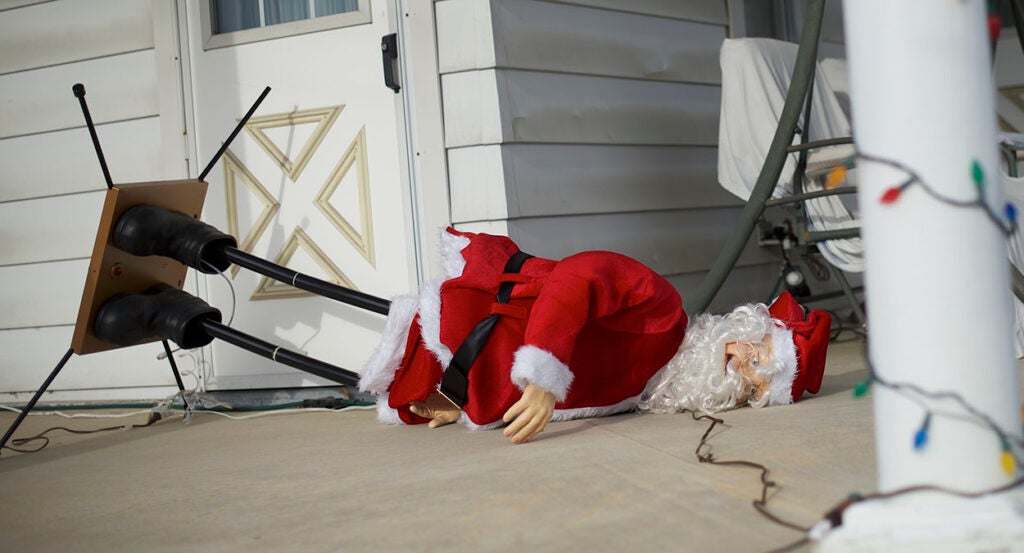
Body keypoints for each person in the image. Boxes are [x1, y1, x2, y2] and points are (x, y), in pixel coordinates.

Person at [359, 228, 830, 444]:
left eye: (751, 385)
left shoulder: (650, 390)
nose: (739, 369)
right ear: (746, 328)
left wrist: (461, 399)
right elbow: (581, 273)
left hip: (468, 377)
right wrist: (543, 375)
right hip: (477, 323)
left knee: (403, 389)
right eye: (756, 355)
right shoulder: (663, 313)